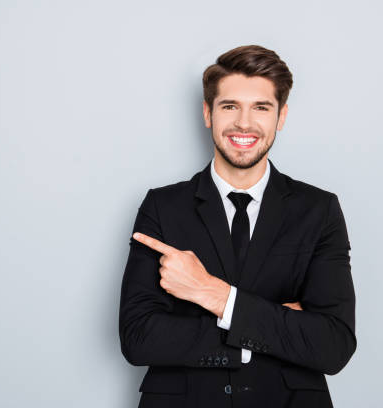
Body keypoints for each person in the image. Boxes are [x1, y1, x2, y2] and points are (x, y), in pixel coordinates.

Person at [118, 45, 356, 408]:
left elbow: (332, 344)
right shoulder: (162, 207)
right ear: (208, 113)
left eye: (261, 107)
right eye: (230, 106)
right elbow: (138, 337)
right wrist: (275, 326)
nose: (244, 123)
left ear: (281, 116)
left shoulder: (319, 210)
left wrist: (210, 293)